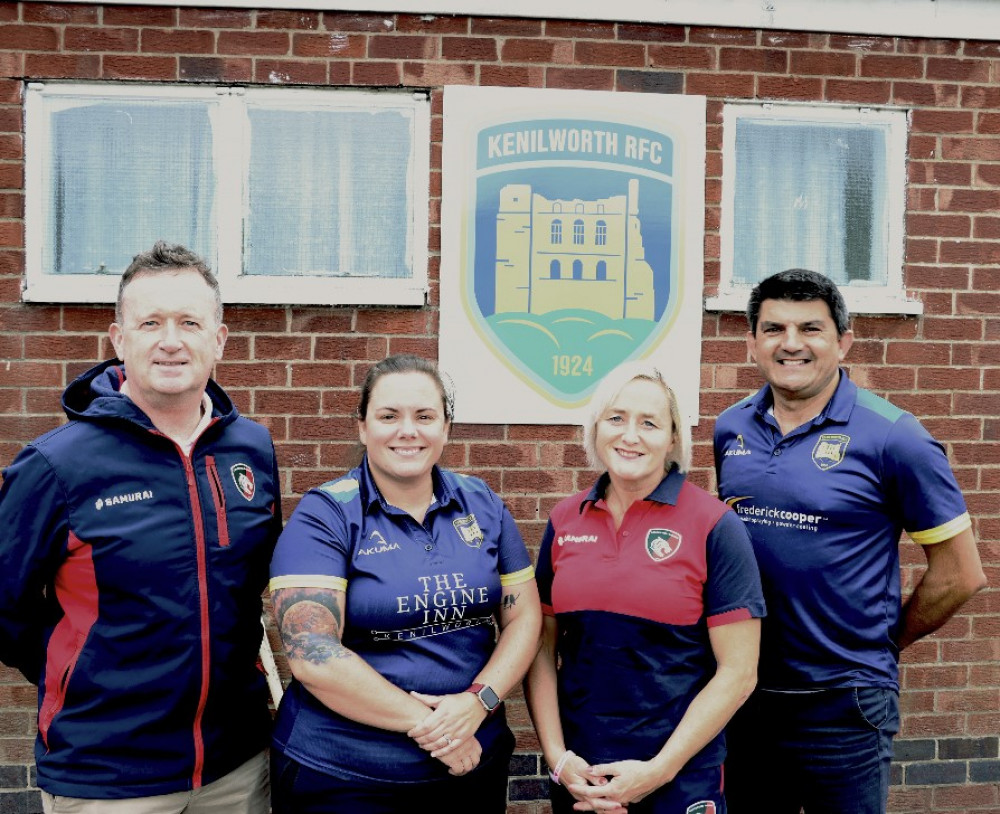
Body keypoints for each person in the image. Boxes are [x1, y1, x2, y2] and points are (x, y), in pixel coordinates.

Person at [0, 241, 282, 813]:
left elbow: (251, 583)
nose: (171, 340)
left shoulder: (251, 449)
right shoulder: (57, 465)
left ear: (219, 339)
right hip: (107, 776)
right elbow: (5, 606)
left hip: (236, 767)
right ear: (118, 339)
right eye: (150, 322)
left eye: (189, 322)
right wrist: (83, 669)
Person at [714, 268, 987, 814]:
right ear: (752, 342)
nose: (791, 344)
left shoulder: (894, 436)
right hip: (745, 695)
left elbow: (961, 574)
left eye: (810, 328)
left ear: (843, 341)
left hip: (844, 704)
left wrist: (883, 644)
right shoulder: (731, 428)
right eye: (774, 329)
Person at [268, 353, 541, 813]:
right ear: (363, 427)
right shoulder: (325, 515)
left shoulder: (484, 504)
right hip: (346, 776)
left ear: (446, 427)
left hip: (472, 766)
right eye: (389, 416)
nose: (408, 431)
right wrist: (436, 729)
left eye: (424, 416)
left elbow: (524, 617)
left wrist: (479, 702)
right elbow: (313, 655)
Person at [526, 361, 765, 814]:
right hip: (583, 775)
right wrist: (558, 759)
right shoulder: (564, 520)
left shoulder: (714, 525)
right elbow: (539, 648)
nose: (630, 435)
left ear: (673, 437)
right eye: (616, 418)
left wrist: (659, 769)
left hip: (680, 777)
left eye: (649, 423)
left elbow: (739, 673)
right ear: (596, 428)